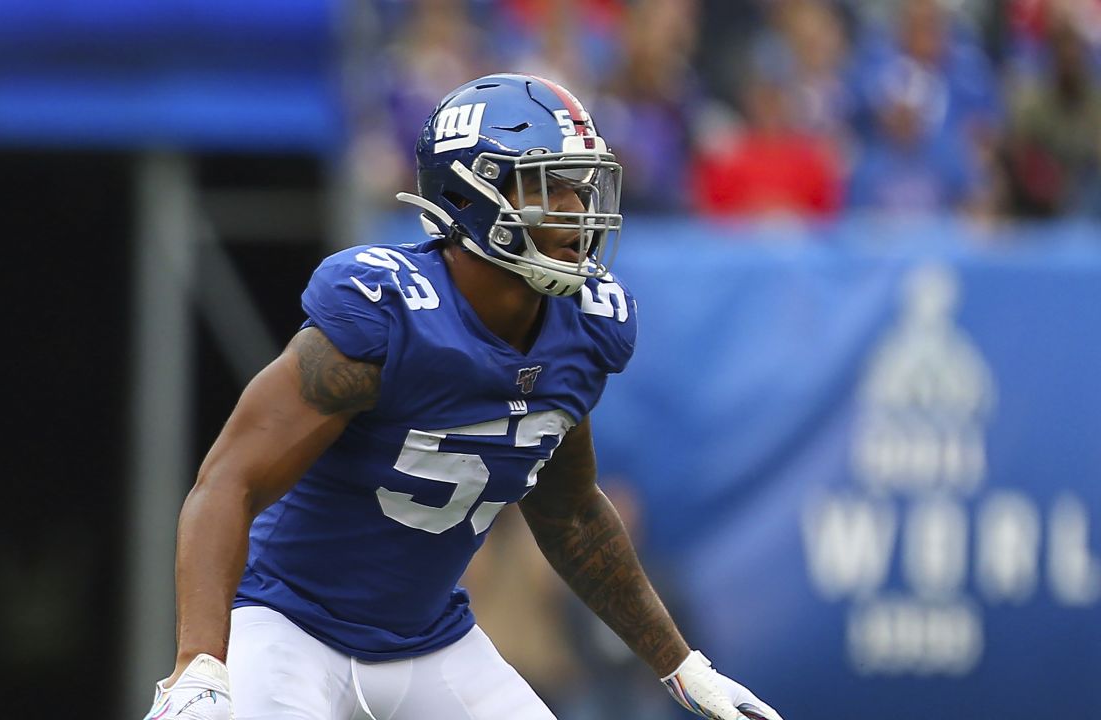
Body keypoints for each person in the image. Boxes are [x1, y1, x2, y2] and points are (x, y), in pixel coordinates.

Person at [143, 73, 784, 720]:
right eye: (549, 185)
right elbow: (227, 480)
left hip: (432, 642)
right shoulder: (386, 315)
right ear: (471, 193)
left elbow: (570, 512)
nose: (577, 208)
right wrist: (199, 663)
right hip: (291, 626)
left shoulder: (582, 326)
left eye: (582, 184)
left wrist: (680, 665)